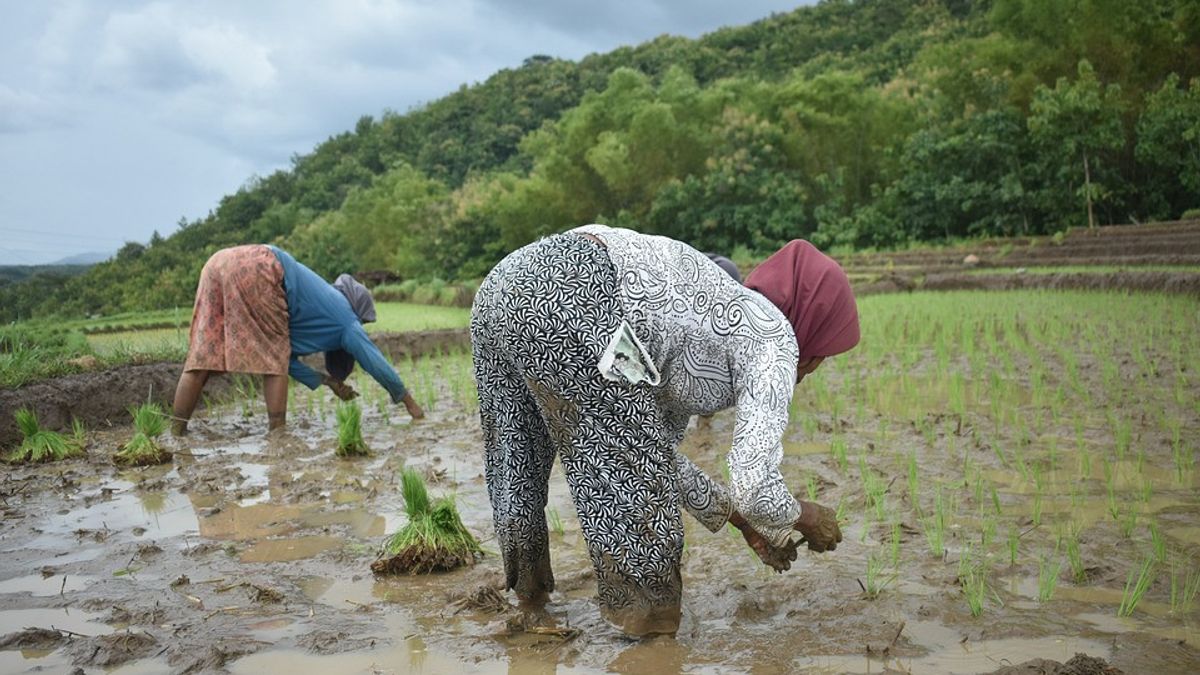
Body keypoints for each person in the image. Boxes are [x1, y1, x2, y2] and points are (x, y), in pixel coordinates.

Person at [470, 224, 859, 638]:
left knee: (516, 456)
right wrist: (805, 516)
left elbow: (658, 456)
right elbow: (754, 485)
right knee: (639, 502)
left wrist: (745, 524)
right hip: (579, 289)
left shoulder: (708, 318)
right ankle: (651, 638)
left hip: (502, 286)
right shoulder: (775, 338)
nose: (815, 366)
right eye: (822, 353)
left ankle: (530, 605)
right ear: (811, 327)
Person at [171, 244, 424, 435]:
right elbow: (374, 361)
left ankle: (177, 435)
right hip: (263, 265)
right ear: (358, 310)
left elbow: (288, 360)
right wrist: (410, 403)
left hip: (217, 262)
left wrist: (328, 382)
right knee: (273, 361)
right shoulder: (347, 319)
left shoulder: (314, 307)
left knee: (201, 360)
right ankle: (278, 435)